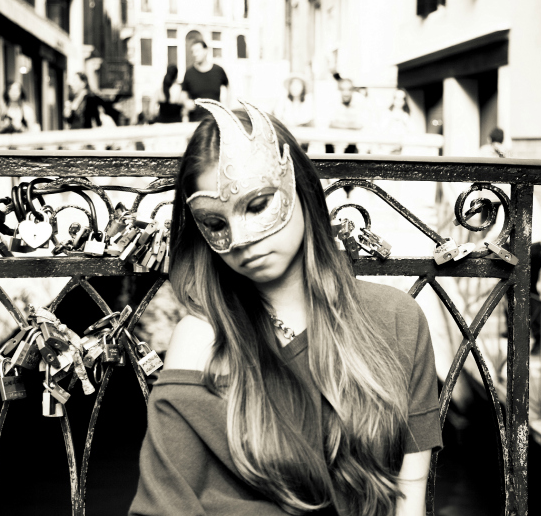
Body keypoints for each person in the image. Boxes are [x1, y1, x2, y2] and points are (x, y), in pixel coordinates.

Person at [129, 99, 442, 516]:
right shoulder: (202, 338)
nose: (240, 240)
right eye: (216, 224)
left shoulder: (397, 318)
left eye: (257, 204)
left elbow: (410, 494)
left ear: (298, 185)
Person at [481, 128, 541, 354]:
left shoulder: (512, 198)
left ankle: (532, 333)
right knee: (525, 290)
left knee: (520, 290)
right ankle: (520, 330)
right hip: (535, 248)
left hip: (526, 250)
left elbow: (499, 230)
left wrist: (483, 244)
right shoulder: (527, 196)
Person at [181, 40, 229, 122]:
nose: (194, 54)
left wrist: (226, 105)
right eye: (192, 52)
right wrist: (186, 102)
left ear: (206, 51)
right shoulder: (189, 73)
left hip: (216, 120)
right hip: (196, 120)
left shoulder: (218, 70)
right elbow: (183, 94)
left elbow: (228, 87)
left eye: (197, 51)